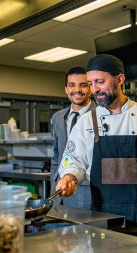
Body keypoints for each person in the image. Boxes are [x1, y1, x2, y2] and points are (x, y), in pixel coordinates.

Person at [56, 54, 137, 241]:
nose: (94, 89)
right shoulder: (86, 122)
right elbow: (74, 161)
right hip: (104, 222)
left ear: (120, 79)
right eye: (91, 83)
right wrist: (69, 177)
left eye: (100, 82)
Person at [50, 66, 96, 209]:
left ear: (90, 88)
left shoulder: (101, 115)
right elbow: (56, 157)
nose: (77, 90)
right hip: (60, 191)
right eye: (72, 85)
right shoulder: (57, 118)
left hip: (88, 193)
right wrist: (55, 183)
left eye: (83, 85)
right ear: (66, 89)